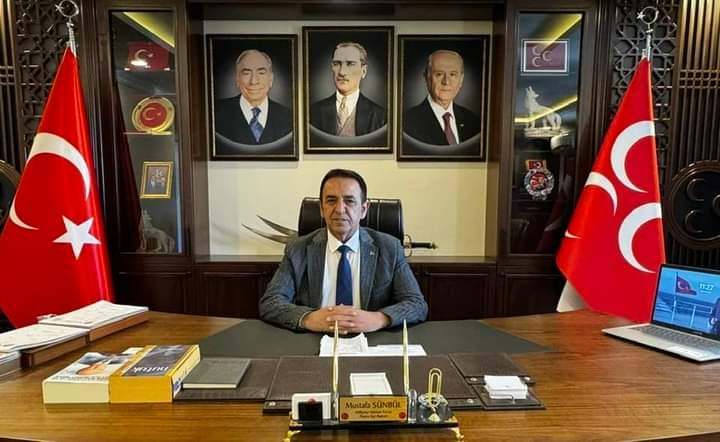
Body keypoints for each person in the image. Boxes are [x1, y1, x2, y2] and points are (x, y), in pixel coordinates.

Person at [259, 169, 427, 333]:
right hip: (315, 337)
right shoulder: (297, 249)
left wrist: (378, 319)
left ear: (363, 210)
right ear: (321, 208)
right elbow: (271, 302)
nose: (340, 209)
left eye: (349, 201)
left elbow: (416, 304)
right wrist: (308, 318)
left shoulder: (390, 248)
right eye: (331, 200)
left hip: (370, 339)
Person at [214, 49, 292, 145]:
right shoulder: (215, 114)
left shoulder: (289, 118)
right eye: (246, 73)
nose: (254, 81)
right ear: (237, 79)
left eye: (261, 73)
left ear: (271, 79)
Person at [403, 50, 481, 145]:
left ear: (461, 80)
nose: (446, 82)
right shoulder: (407, 123)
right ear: (426, 78)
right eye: (439, 74)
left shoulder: (473, 121)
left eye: (452, 74)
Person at [310, 42, 386, 137]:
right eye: (337, 64)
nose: (342, 72)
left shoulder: (380, 116)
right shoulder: (313, 112)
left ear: (364, 71)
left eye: (350, 64)